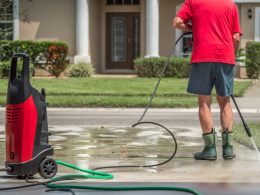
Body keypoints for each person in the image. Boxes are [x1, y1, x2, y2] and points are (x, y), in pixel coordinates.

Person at [173, 0, 242, 160]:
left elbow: (177, 22)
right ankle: (228, 148)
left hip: (202, 56)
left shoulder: (192, 1)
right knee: (225, 101)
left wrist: (192, 28)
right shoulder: (230, 5)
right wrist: (232, 55)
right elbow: (236, 37)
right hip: (225, 57)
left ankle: (210, 149)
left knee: (204, 101)